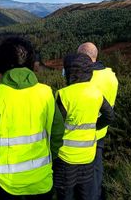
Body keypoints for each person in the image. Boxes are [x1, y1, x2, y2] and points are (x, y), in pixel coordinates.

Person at [0, 37, 64, 200]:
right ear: (31, 61)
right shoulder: (46, 93)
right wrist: (50, 156)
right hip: (41, 181)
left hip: (4, 184)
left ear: (2, 61)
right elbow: (57, 134)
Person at [53, 53, 115, 200]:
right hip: (88, 156)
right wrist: (94, 127)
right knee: (84, 194)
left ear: (69, 72)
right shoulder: (97, 94)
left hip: (65, 158)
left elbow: (56, 127)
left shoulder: (63, 95)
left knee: (65, 194)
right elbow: (110, 116)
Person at [77, 42, 118, 200]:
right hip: (100, 131)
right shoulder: (111, 76)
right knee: (96, 168)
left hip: (82, 133)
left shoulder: (85, 78)